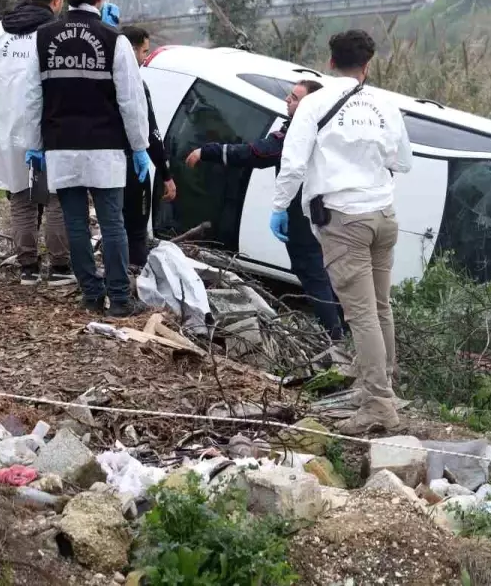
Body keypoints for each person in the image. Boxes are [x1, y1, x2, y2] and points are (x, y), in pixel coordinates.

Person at [271, 30, 413, 434]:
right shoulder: (386, 105)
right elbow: (402, 162)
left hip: (345, 220)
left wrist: (280, 206)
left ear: (330, 62)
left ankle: (379, 405)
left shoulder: (314, 104)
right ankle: (384, 382)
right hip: (384, 217)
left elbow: (294, 164)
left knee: (362, 314)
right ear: (367, 65)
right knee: (380, 306)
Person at [27, 0, 150, 315]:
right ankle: (120, 300)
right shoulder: (115, 40)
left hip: (61, 146)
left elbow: (33, 97)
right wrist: (139, 146)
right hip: (105, 148)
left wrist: (35, 144)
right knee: (113, 224)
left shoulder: (43, 38)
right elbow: (131, 99)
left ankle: (91, 294)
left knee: (75, 223)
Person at [185, 79, 345, 339]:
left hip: (303, 216)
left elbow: (256, 154)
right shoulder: (328, 131)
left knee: (313, 275)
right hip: (328, 214)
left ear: (309, 106)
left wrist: (209, 151)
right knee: (330, 274)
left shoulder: (298, 134)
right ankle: (345, 330)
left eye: (294, 98)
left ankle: (334, 336)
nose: (287, 100)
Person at [0, 0, 73, 286]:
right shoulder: (56, 31)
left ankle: (28, 267)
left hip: (6, 128)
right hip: (47, 125)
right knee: (55, 197)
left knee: (21, 196)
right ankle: (60, 267)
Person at [116, 25, 175, 268]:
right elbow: (151, 132)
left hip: (106, 164)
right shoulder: (137, 85)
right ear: (131, 50)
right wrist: (166, 174)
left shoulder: (103, 78)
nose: (144, 58)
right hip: (131, 164)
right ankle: (135, 275)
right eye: (144, 52)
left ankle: (116, 272)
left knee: (113, 224)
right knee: (137, 227)